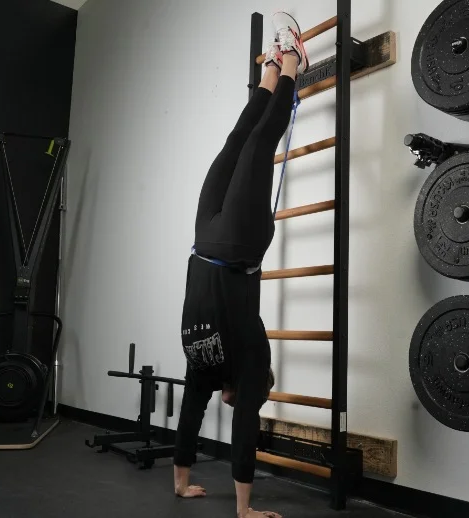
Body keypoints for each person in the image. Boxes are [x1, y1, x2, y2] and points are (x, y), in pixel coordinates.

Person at [173, 11, 310, 518]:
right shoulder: (247, 358)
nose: (238, 401)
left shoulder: (204, 367)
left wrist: (182, 484)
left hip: (204, 236)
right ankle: (294, 60)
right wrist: (243, 510)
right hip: (236, 243)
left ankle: (272, 69)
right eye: (244, 397)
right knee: (255, 149)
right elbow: (245, 428)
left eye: (237, 398)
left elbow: (191, 418)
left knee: (236, 142)